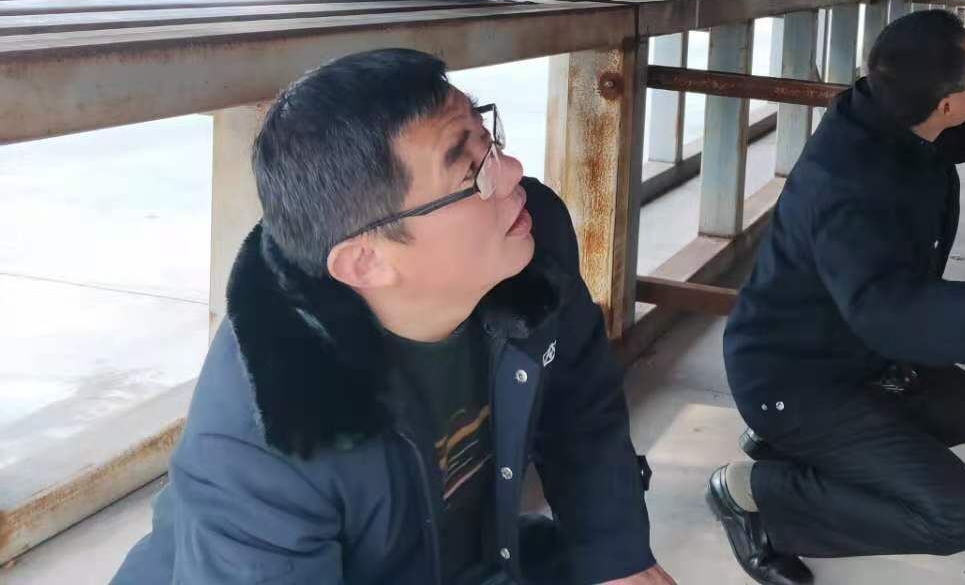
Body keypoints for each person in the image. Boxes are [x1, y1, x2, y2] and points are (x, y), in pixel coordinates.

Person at [114, 48, 675, 585]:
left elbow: (581, 404)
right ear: (366, 261)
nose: (512, 174)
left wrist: (616, 557)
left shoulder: (530, 245)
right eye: (471, 174)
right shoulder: (264, 437)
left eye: (489, 143)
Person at [708, 10, 965, 585]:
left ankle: (791, 446)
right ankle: (757, 499)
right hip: (791, 378)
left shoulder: (883, 115)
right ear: (944, 103)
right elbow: (892, 310)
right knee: (956, 516)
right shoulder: (848, 187)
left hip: (842, 350)